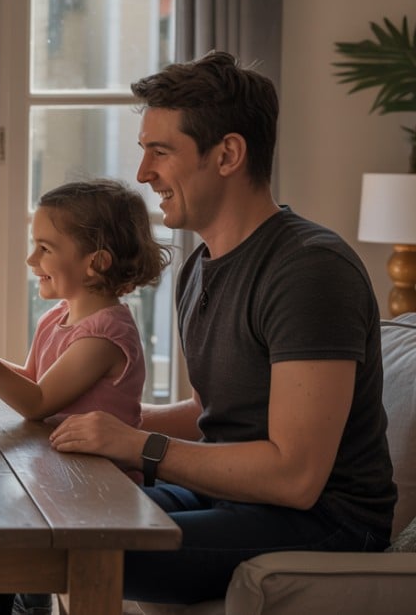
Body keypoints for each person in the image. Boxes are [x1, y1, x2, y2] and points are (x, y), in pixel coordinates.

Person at [46, 51, 396, 605]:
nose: (143, 173)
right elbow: (211, 412)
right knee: (33, 515)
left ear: (228, 154)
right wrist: (92, 422)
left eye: (161, 152)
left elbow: (296, 476)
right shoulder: (201, 265)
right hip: (227, 498)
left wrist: (137, 444)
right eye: (143, 151)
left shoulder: (309, 270)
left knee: (84, 546)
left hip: (325, 522)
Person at [0, 178, 170, 615]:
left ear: (95, 263)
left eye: (45, 248)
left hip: (98, 491)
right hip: (57, 478)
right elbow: (38, 382)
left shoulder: (105, 335)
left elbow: (37, 402)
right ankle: (29, 598)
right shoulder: (58, 317)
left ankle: (28, 597)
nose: (31, 259)